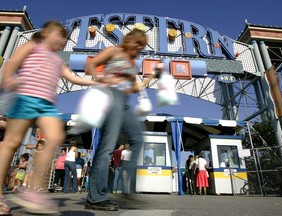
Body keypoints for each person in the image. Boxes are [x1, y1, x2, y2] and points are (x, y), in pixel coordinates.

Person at [0, 20, 97, 215]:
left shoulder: (57, 60)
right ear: (46, 33)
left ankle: (32, 192)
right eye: (60, 36)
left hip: (46, 105)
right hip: (25, 98)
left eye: (65, 40)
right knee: (11, 143)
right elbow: (12, 63)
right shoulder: (31, 46)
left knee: (55, 137)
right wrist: (9, 78)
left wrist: (94, 81)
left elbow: (71, 77)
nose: (63, 41)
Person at [85, 24, 163, 211]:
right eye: (138, 44)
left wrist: (152, 76)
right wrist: (99, 77)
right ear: (128, 39)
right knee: (107, 147)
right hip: (110, 97)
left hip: (125, 102)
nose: (140, 48)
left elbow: (132, 88)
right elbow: (91, 64)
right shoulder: (114, 51)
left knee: (138, 139)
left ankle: (128, 189)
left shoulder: (131, 63)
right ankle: (96, 197)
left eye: (142, 46)